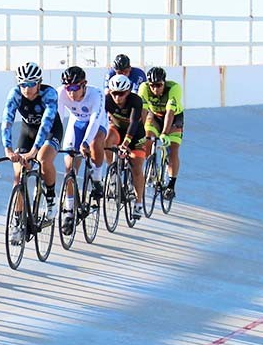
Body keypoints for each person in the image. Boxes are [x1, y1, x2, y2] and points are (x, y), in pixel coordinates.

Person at [0, 62, 63, 244]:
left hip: (50, 130)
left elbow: (46, 124)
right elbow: (7, 120)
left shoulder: (49, 93)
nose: (27, 89)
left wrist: (34, 151)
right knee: (18, 174)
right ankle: (18, 219)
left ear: (39, 82)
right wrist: (8, 149)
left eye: (31, 84)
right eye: (23, 84)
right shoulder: (15, 94)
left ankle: (51, 198)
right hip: (27, 131)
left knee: (43, 159)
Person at [56, 66, 108, 236]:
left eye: (74, 88)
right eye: (67, 87)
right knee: (69, 168)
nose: (70, 92)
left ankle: (97, 178)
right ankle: (69, 211)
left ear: (84, 84)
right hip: (76, 123)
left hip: (97, 123)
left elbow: (95, 120)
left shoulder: (96, 94)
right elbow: (57, 119)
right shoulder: (61, 93)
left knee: (94, 144)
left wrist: (85, 142)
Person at [105, 74, 147, 219]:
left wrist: (125, 144)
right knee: (106, 141)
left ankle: (138, 203)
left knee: (136, 166)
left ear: (128, 91)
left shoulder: (135, 100)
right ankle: (113, 172)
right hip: (117, 129)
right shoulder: (106, 100)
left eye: (121, 94)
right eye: (114, 93)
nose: (117, 97)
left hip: (135, 134)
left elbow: (134, 122)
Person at [139, 66, 183, 200]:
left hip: (173, 118)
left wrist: (164, 133)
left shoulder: (173, 88)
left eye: (159, 85)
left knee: (173, 149)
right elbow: (142, 111)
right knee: (146, 139)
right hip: (155, 116)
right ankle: (149, 170)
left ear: (164, 82)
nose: (155, 89)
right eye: (152, 85)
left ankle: (171, 185)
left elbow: (170, 112)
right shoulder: (144, 88)